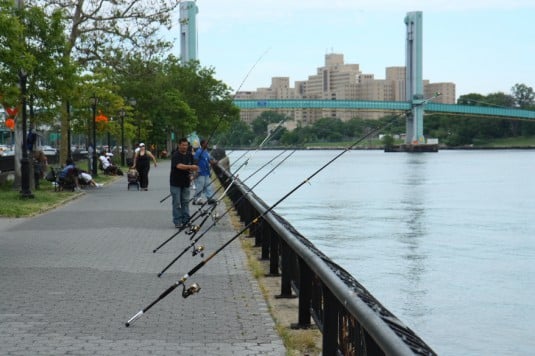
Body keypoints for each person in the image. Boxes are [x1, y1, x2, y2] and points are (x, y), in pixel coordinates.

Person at [170, 137, 198, 228]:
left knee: (185, 202)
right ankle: (177, 221)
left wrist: (193, 175)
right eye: (183, 145)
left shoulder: (190, 155)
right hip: (175, 183)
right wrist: (190, 166)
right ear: (179, 145)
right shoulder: (175, 155)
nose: (185, 147)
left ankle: (186, 220)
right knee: (177, 202)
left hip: (186, 182)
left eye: (186, 145)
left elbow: (193, 168)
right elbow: (179, 166)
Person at [192, 139, 218, 205]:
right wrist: (196, 170)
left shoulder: (206, 152)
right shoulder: (199, 151)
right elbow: (195, 161)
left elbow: (209, 161)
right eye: (206, 143)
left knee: (208, 186)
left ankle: (210, 198)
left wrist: (215, 162)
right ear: (202, 144)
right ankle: (196, 199)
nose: (207, 145)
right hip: (200, 173)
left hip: (206, 172)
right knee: (200, 187)